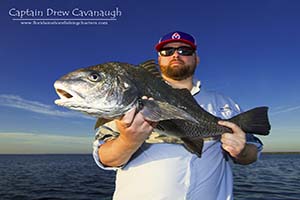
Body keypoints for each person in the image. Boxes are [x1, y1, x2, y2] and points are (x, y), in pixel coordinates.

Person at [92, 31, 263, 200]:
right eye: (167, 51)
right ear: (159, 59)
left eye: (184, 51)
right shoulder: (126, 100)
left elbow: (252, 153)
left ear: (196, 58)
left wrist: (241, 152)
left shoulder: (225, 103)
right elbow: (105, 158)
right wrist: (128, 141)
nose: (175, 55)